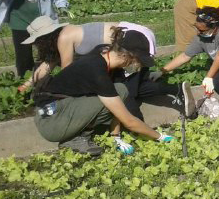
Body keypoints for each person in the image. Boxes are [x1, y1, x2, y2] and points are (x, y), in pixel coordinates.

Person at [16, 17, 192, 119]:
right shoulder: (61, 38)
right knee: (134, 86)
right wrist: (26, 85)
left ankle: (137, 127)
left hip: (133, 41)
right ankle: (176, 90)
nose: (37, 45)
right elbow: (48, 64)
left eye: (37, 41)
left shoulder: (64, 37)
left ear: (45, 37)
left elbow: (68, 72)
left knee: (125, 91)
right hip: (129, 40)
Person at [32, 29, 174, 156]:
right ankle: (74, 139)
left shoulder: (104, 56)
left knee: (120, 91)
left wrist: (116, 137)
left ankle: (81, 135)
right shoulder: (97, 71)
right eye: (137, 61)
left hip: (60, 111)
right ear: (126, 57)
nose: (137, 66)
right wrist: (160, 137)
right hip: (51, 121)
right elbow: (128, 121)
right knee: (118, 92)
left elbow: (118, 104)